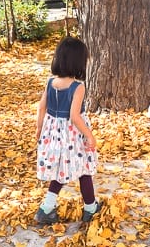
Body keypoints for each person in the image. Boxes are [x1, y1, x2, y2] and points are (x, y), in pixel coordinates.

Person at [34, 36, 101, 224]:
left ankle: (46, 208)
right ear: (79, 62)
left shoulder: (50, 82)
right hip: (73, 136)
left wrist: (39, 129)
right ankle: (90, 207)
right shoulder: (77, 87)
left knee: (60, 170)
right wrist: (89, 135)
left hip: (52, 134)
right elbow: (74, 116)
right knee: (84, 168)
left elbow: (41, 107)